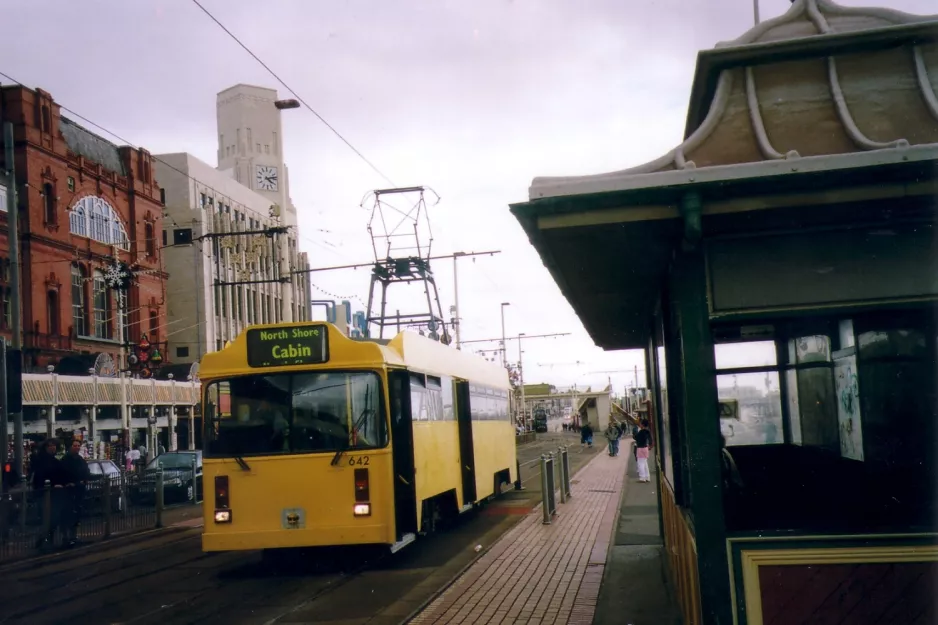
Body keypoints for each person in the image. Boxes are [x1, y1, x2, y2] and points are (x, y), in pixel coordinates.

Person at [31, 438, 68, 547]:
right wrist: (51, 485)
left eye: (54, 446)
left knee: (52, 518)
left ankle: (46, 540)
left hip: (54, 494)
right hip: (44, 494)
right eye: (50, 446)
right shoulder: (41, 461)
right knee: (47, 518)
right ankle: (43, 540)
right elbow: (39, 478)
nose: (52, 448)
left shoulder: (55, 460)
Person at [60, 438, 91, 547]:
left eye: (78, 446)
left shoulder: (81, 459)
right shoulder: (65, 460)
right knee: (67, 514)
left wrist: (85, 479)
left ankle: (73, 536)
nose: (77, 447)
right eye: (75, 445)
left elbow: (87, 471)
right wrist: (69, 483)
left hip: (79, 491)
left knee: (77, 513)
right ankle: (66, 537)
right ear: (70, 447)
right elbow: (63, 474)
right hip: (68, 492)